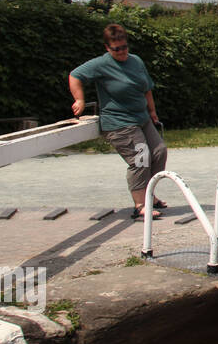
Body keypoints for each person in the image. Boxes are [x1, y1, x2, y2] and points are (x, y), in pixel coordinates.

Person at [68, 24, 169, 220]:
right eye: (117, 49)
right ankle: (140, 206)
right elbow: (75, 76)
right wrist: (79, 99)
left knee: (159, 152)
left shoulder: (136, 61)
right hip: (120, 122)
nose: (122, 52)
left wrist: (152, 111)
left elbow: (146, 87)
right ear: (107, 48)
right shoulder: (100, 64)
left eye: (124, 47)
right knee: (140, 157)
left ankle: (150, 195)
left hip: (142, 117)